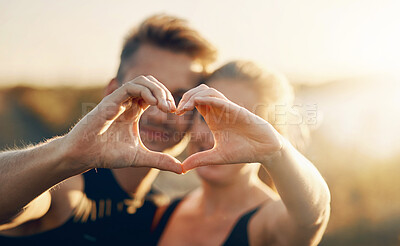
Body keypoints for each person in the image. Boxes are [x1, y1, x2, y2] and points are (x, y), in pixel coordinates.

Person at [0, 14, 216, 245]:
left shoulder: (161, 211)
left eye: (179, 97)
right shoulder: (68, 189)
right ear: (112, 91)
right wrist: (65, 153)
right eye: (145, 91)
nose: (159, 114)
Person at [153, 61, 331, 246]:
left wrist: (277, 152)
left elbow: (314, 215)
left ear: (271, 133)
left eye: (237, 125)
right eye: (206, 116)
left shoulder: (270, 224)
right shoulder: (165, 211)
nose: (215, 138)